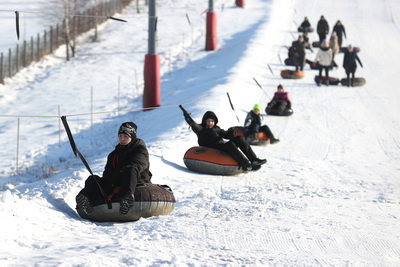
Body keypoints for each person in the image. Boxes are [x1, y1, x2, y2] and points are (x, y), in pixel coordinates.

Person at [76, 122, 152, 215]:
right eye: (120, 136)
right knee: (93, 179)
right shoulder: (113, 155)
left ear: (132, 137)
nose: (122, 139)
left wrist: (117, 175)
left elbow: (137, 165)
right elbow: (107, 175)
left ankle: (127, 198)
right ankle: (86, 200)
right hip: (115, 181)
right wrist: (105, 185)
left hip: (135, 180)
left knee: (130, 169)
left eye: (125, 136)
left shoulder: (140, 150)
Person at [182, 109, 266, 172]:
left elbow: (225, 134)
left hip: (220, 146)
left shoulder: (216, 128)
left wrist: (231, 133)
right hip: (211, 148)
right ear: (205, 121)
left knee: (239, 138)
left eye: (212, 121)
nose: (210, 123)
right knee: (229, 145)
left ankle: (254, 159)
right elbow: (194, 125)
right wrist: (188, 118)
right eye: (208, 121)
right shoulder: (201, 129)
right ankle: (246, 165)